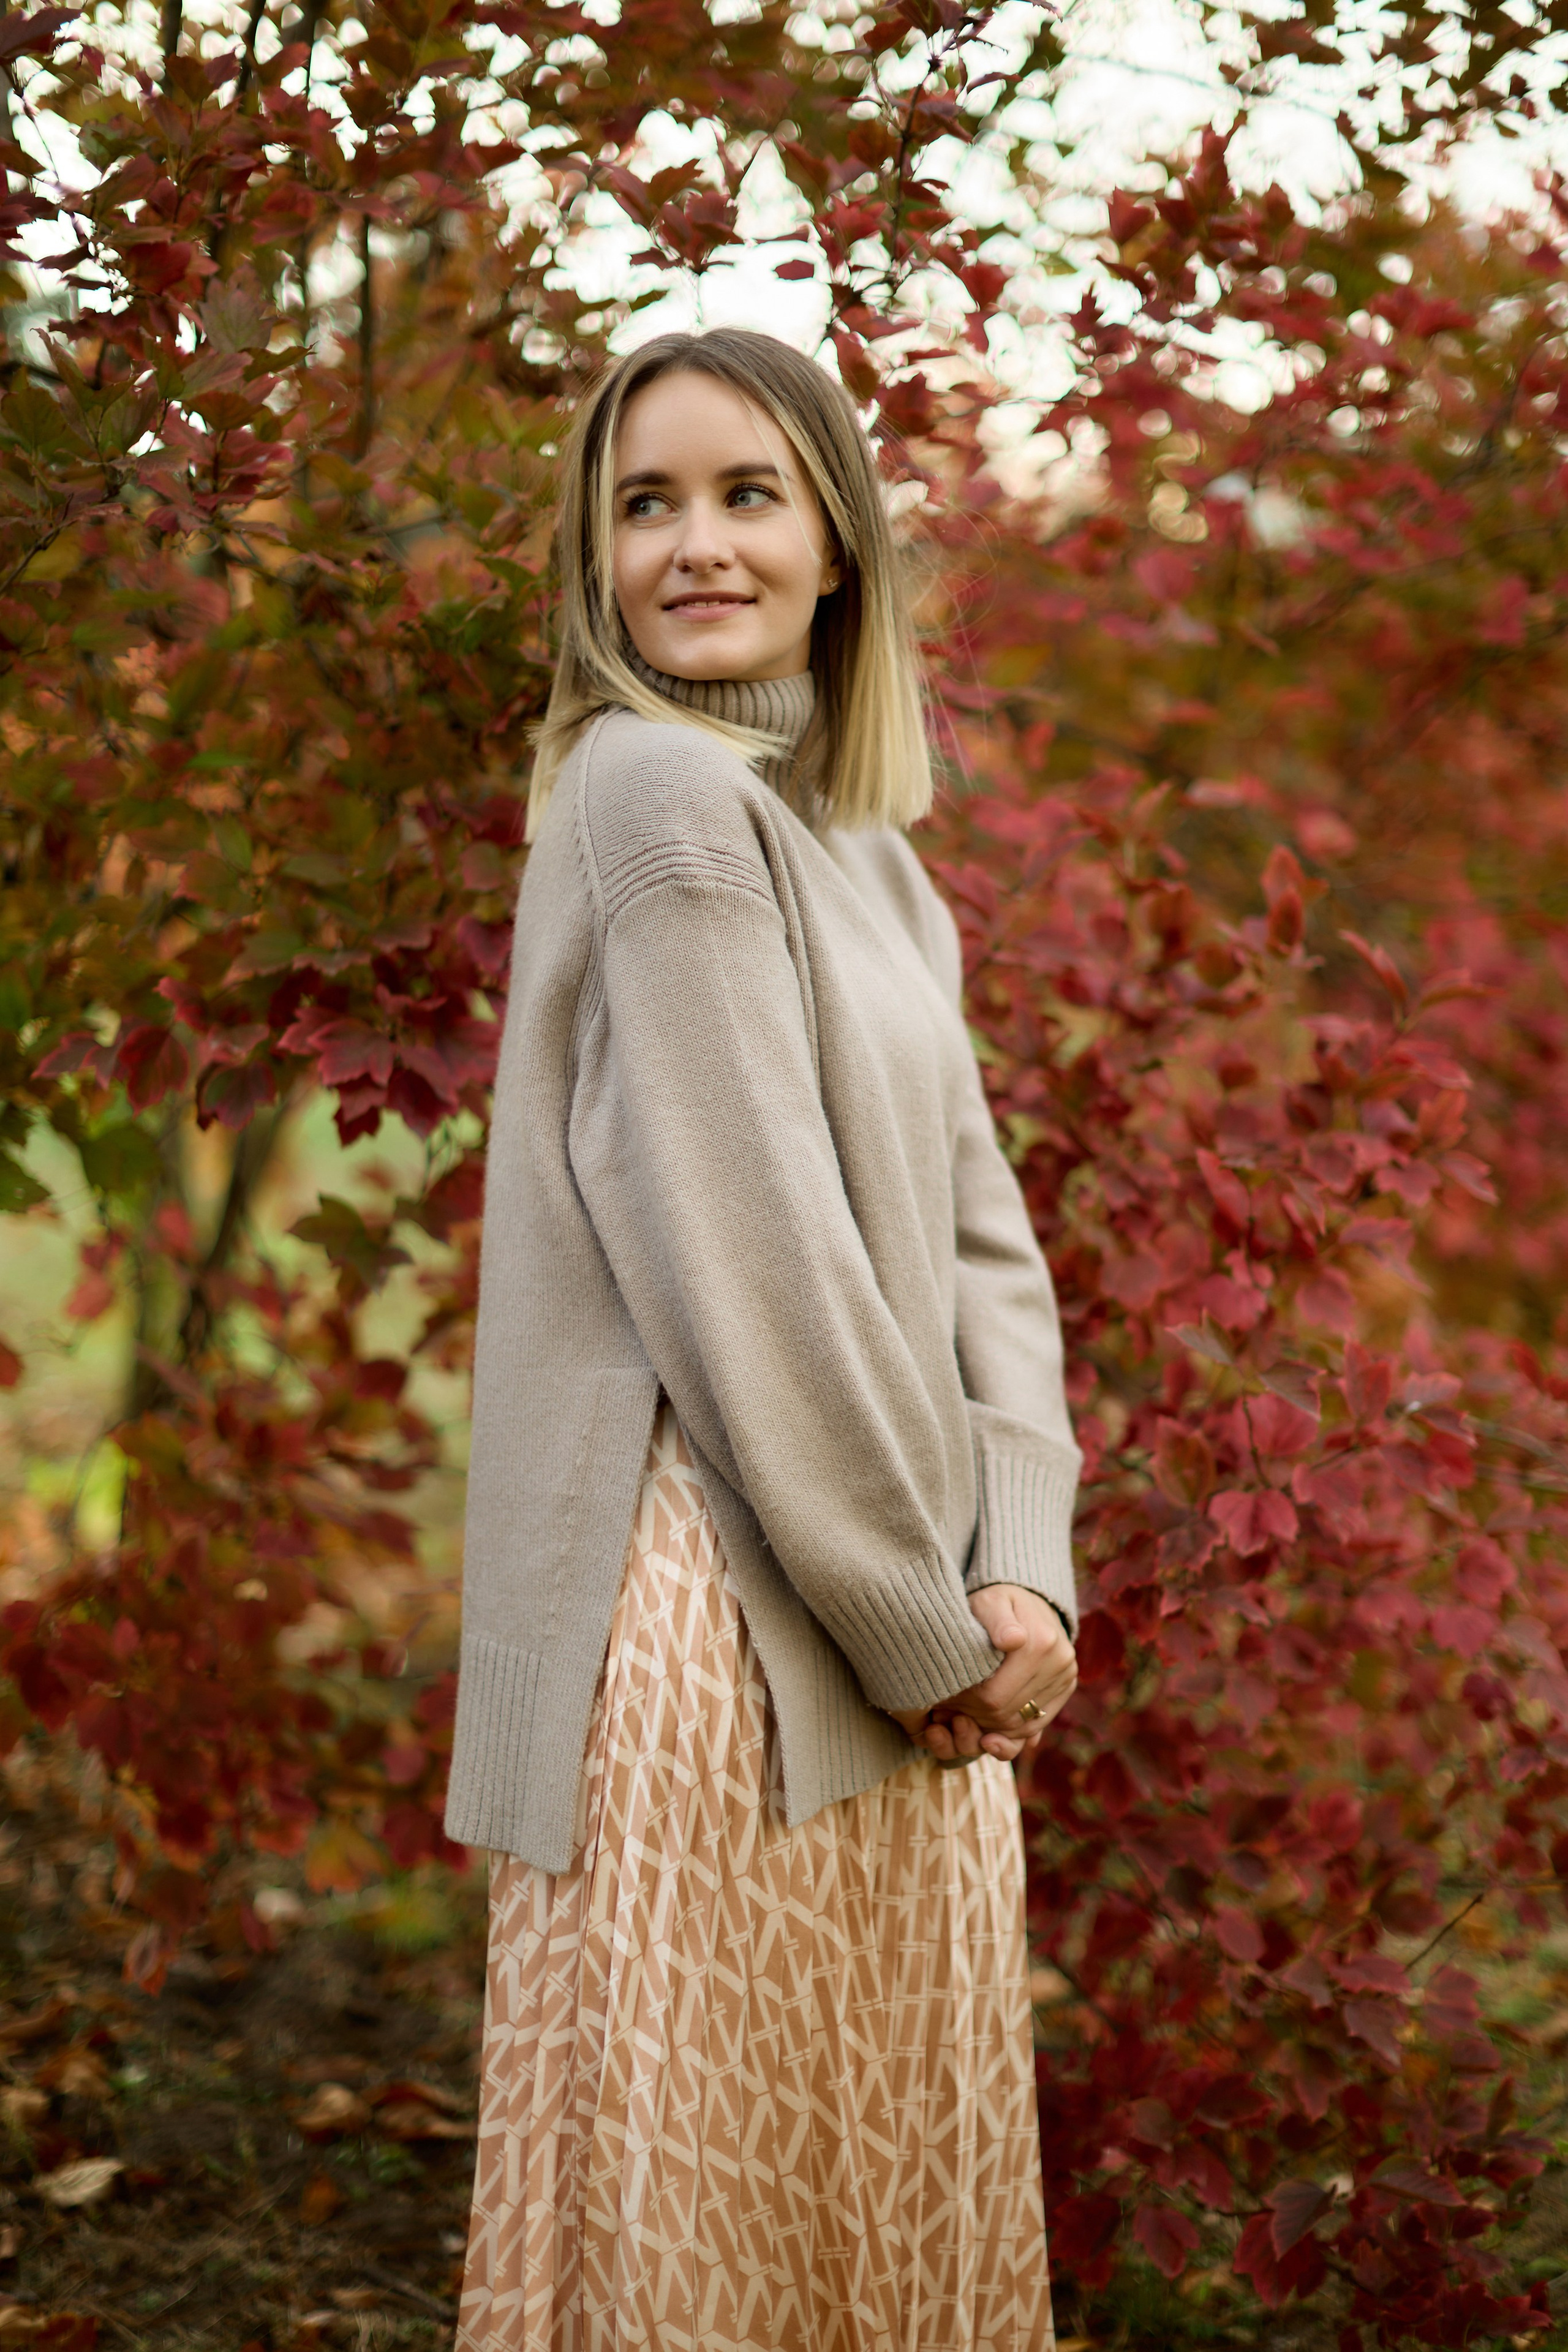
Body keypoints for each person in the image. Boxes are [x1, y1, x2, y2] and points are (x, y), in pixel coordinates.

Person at [447, 325, 1082, 2352]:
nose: (696, 545)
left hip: (902, 1607)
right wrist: (926, 1622)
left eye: (747, 495)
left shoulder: (874, 861)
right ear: (594, 560)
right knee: (717, 2263)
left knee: (874, 2218)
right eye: (646, 504)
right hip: (718, 1631)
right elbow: (751, 1259)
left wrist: (1024, 1564)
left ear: (836, 545)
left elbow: (987, 1238)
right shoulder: (651, 798)